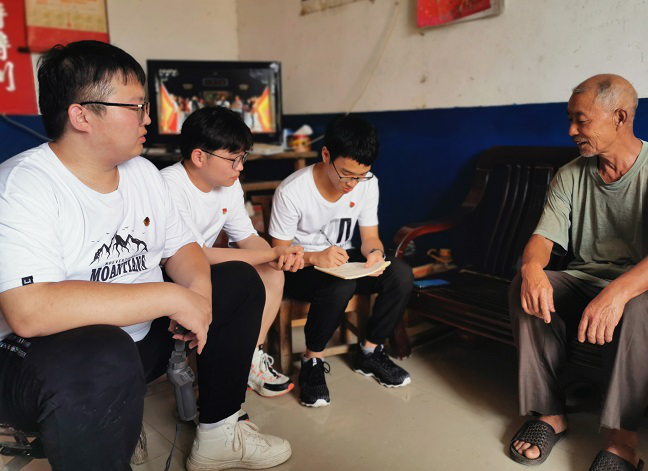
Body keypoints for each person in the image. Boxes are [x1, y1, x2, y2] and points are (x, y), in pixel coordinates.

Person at [0, 40, 291, 470]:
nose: (148, 119)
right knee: (105, 351)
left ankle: (219, 433)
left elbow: (183, 249)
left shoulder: (144, 174)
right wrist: (172, 297)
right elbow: (31, 310)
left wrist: (197, 297)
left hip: (142, 340)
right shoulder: (24, 185)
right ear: (81, 116)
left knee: (240, 281)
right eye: (136, 107)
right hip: (44, 360)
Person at [508, 74, 648, 470]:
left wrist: (617, 293)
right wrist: (531, 267)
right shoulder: (570, 175)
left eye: (581, 120)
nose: (571, 131)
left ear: (619, 117)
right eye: (570, 120)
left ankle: (621, 440)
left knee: (637, 309)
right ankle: (549, 413)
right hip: (589, 282)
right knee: (527, 287)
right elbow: (543, 238)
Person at [268, 114, 413, 408]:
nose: (353, 183)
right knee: (339, 286)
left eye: (361, 176)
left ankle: (370, 351)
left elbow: (370, 237)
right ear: (326, 155)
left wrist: (375, 254)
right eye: (346, 174)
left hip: (343, 260)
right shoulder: (292, 190)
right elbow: (278, 253)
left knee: (400, 273)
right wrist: (315, 257)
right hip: (301, 267)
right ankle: (312, 361)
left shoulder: (367, 184)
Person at [162, 106, 304, 398]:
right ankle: (224, 372)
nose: (240, 167)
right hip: (171, 272)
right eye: (233, 159)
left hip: (203, 266)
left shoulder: (228, 183)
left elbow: (247, 236)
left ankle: (250, 356)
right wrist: (271, 254)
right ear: (199, 157)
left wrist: (277, 256)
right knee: (246, 272)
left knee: (272, 273)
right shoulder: (168, 185)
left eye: (243, 158)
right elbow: (194, 255)